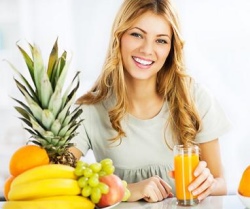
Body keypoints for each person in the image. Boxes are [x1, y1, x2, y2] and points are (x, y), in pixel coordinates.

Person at [69, 0, 231, 203]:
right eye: (137, 34)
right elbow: (60, 182)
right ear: (118, 37)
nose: (147, 50)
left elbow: (221, 184)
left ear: (171, 49)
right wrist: (126, 190)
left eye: (161, 40)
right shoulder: (89, 110)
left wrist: (209, 184)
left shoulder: (195, 99)